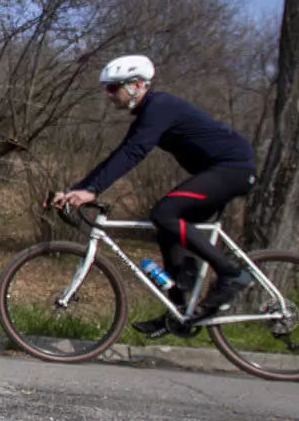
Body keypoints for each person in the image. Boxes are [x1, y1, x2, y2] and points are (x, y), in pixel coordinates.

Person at [49, 55, 257, 335]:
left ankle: (231, 274)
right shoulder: (150, 114)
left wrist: (91, 190)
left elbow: (133, 153)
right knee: (167, 227)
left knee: (164, 213)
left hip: (233, 168)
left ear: (136, 85)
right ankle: (180, 309)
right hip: (220, 170)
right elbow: (120, 153)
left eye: (112, 88)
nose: (108, 95)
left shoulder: (160, 107)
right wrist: (80, 188)